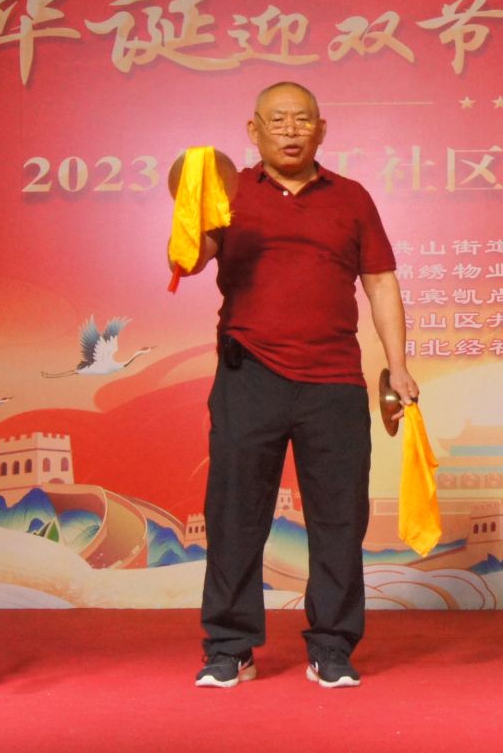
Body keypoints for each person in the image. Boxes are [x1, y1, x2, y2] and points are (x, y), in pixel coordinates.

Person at [182, 81, 417, 690]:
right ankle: (230, 648)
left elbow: (381, 283)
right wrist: (192, 204)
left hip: (333, 380)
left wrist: (398, 364)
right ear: (254, 130)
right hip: (249, 374)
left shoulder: (352, 197)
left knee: (339, 520)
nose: (290, 130)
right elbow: (189, 259)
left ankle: (332, 647)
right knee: (234, 516)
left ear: (322, 129)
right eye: (278, 120)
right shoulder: (231, 194)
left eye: (302, 119)